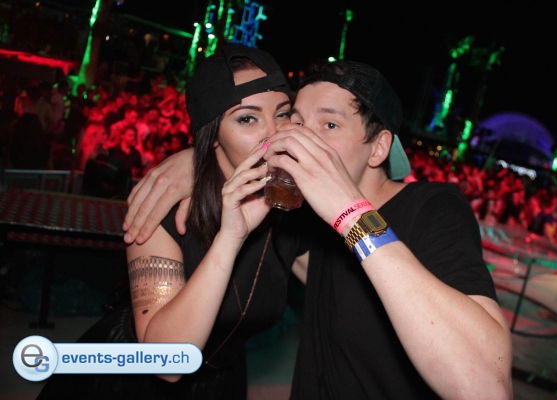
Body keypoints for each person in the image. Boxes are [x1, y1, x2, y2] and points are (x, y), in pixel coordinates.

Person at [123, 58, 513, 398]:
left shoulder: (432, 208)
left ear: (378, 148)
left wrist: (350, 213)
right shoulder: (305, 218)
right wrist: (198, 160)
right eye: (295, 121)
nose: (299, 137)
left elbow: (484, 388)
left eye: (329, 124)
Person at [37, 44, 308, 399]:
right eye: (247, 118)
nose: (274, 133)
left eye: (283, 114)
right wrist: (230, 237)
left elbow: (349, 288)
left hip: (224, 381)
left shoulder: (289, 207)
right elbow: (165, 363)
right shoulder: (164, 208)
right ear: (212, 136)